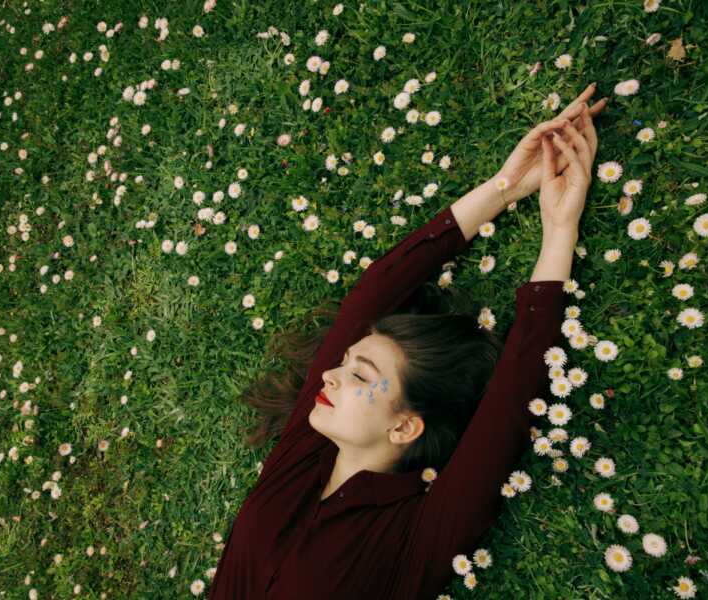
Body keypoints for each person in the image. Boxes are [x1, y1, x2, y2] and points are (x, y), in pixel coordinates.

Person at [208, 83, 606, 599]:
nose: (328, 374)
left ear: (404, 426)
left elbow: (510, 404)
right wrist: (504, 187)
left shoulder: (416, 535)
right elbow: (371, 296)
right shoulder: (304, 458)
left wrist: (559, 229)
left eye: (357, 375)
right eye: (348, 364)